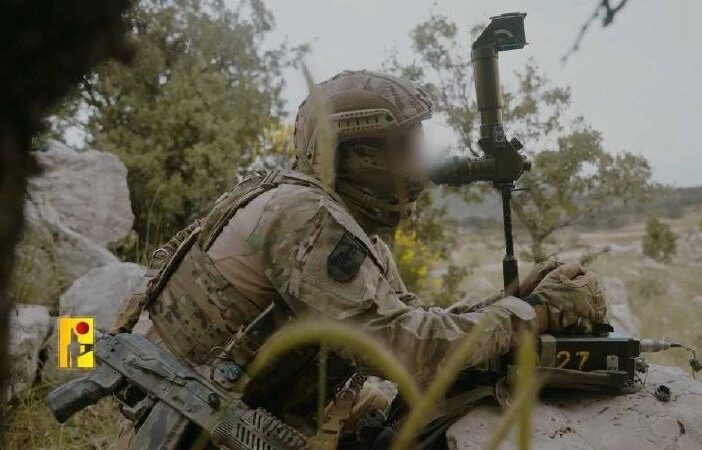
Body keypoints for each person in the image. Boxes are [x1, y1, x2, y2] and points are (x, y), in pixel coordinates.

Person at [111, 70, 607, 448]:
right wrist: (537, 312)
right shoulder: (304, 217)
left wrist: (512, 299)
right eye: (402, 146)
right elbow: (411, 354)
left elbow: (411, 321)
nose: (417, 163)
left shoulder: (338, 223)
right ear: (349, 155)